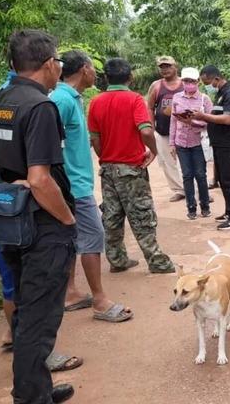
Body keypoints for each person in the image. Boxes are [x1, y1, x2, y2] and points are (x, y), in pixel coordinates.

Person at [0, 30, 77, 403]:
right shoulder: (40, 108)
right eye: (58, 62)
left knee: (25, 311)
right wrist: (67, 221)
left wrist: (5, 195)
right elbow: (40, 180)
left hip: (9, 225)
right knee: (39, 319)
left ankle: (35, 389)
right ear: (49, 64)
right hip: (43, 228)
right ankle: (32, 398)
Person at [52, 51, 133, 323]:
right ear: (84, 69)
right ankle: (100, 301)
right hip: (73, 185)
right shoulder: (62, 100)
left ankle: (70, 293)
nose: (95, 73)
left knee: (73, 239)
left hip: (74, 182)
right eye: (91, 67)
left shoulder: (72, 98)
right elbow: (48, 142)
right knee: (93, 236)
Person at [89, 58, 176, 274]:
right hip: (131, 168)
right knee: (142, 215)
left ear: (106, 78)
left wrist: (106, 157)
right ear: (131, 77)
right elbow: (146, 131)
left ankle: (117, 259)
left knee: (112, 215)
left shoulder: (96, 102)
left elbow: (95, 139)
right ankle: (157, 262)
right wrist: (154, 150)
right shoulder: (135, 99)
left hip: (108, 169)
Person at [193, 65, 230, 230]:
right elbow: (217, 116)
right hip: (220, 144)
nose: (207, 86)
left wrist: (203, 116)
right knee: (223, 180)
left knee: (229, 180)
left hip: (228, 144)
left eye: (207, 82)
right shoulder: (221, 94)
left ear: (216, 78)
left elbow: (227, 119)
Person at [170, 67, 213, 220]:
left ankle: (205, 205)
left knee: (200, 175)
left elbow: (211, 121)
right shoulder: (177, 98)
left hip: (198, 142)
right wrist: (172, 143)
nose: (189, 84)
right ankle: (191, 207)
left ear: (197, 82)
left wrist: (193, 122)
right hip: (181, 142)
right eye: (186, 81)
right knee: (187, 175)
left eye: (192, 81)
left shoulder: (204, 99)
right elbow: (173, 122)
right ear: (182, 82)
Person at [147, 55, 185, 202]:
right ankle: (179, 190)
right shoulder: (156, 86)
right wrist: (151, 127)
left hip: (184, 131)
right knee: (168, 162)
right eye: (162, 67)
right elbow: (150, 107)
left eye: (168, 66)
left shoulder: (185, 83)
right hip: (163, 131)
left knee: (189, 161)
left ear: (175, 66)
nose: (165, 69)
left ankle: (197, 190)